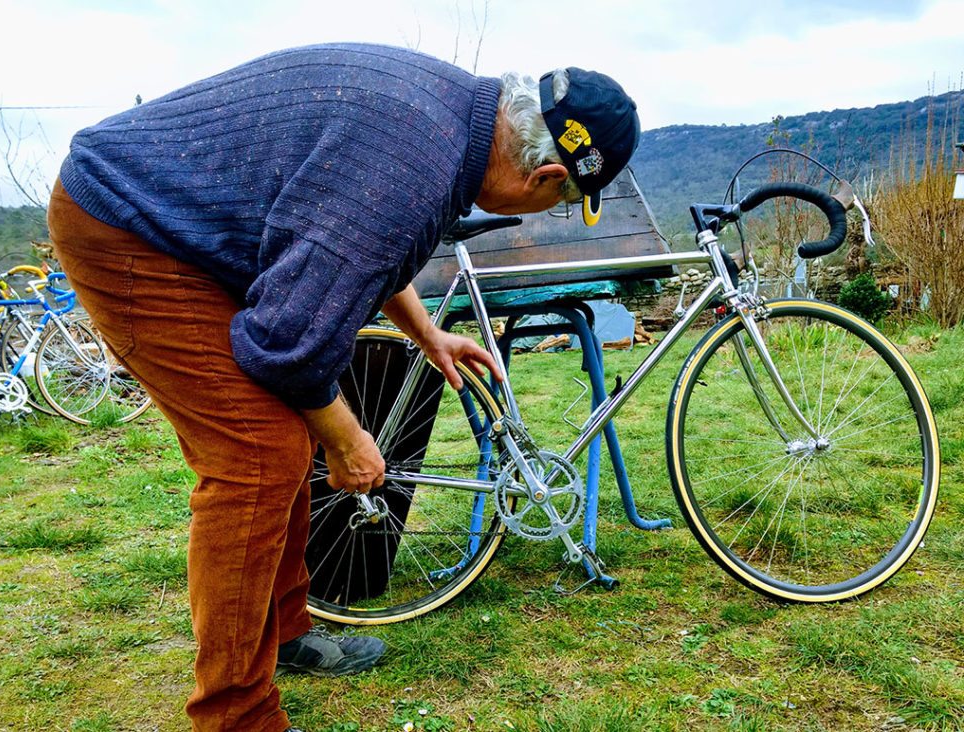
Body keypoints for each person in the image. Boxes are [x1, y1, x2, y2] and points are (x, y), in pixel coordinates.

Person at [46, 42, 640, 732]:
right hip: (128, 225)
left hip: (183, 228)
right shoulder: (415, 159)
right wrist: (350, 440)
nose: (548, 212)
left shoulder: (452, 122)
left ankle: (287, 632)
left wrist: (427, 334)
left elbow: (365, 245)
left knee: (284, 435)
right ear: (542, 176)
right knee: (257, 454)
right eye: (563, 203)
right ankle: (235, 715)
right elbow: (288, 346)